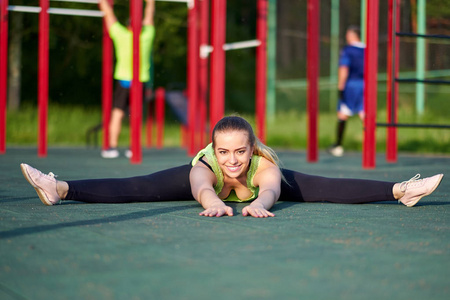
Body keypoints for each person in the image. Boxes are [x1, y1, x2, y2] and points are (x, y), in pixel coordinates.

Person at [21, 116, 443, 218]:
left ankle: (401, 190)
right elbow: (203, 187)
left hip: (255, 193)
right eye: (225, 152)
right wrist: (213, 202)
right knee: (137, 185)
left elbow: (275, 189)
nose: (233, 160)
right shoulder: (207, 164)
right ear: (214, 149)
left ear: (252, 148)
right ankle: (59, 188)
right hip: (214, 191)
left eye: (240, 151)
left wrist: (261, 202)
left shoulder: (262, 164)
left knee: (325, 184)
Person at [99, 0, 156, 159]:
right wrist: (150, 3)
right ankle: (134, 147)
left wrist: (105, 2)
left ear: (128, 26)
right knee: (136, 114)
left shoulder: (121, 35)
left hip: (124, 81)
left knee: (117, 113)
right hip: (140, 82)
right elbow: (149, 17)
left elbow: (108, 15)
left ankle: (111, 147)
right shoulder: (146, 37)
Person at [329, 26, 365, 157]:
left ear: (352, 35)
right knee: (364, 114)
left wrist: (341, 87)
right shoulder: (368, 49)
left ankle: (338, 145)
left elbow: (344, 69)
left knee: (342, 114)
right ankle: (368, 147)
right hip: (366, 85)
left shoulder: (348, 50)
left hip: (351, 85)